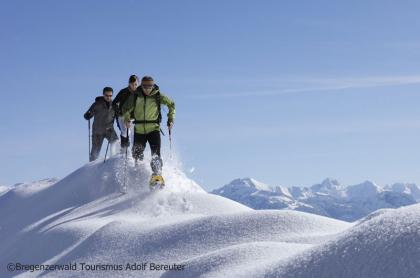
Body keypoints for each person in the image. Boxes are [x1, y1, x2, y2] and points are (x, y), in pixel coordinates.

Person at [122, 76, 175, 186]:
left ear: (153, 85)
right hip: (139, 130)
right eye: (145, 86)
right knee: (137, 153)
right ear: (141, 85)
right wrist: (127, 119)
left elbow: (171, 104)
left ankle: (156, 176)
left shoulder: (158, 95)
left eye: (150, 86)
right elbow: (125, 108)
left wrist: (170, 119)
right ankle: (138, 173)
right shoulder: (136, 95)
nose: (147, 89)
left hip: (153, 129)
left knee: (156, 153)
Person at [84, 87, 118, 162]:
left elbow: (118, 115)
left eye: (110, 95)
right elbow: (87, 114)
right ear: (103, 95)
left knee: (116, 142)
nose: (109, 97)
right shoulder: (97, 104)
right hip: (98, 131)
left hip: (109, 129)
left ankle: (114, 159)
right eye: (107, 95)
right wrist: (88, 115)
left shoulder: (114, 104)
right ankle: (92, 167)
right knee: (95, 152)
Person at [112, 75, 139, 151]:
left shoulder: (139, 93)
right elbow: (114, 103)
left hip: (134, 118)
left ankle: (135, 154)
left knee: (134, 136)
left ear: (138, 84)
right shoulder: (123, 92)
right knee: (125, 132)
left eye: (136, 84)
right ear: (129, 83)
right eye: (132, 84)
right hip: (122, 117)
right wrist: (119, 112)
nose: (134, 86)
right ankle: (123, 150)